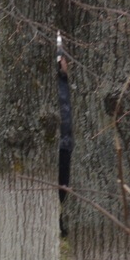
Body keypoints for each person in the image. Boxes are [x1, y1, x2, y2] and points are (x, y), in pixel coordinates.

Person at [57, 54, 73, 235]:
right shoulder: (53, 80)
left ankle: (64, 222)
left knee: (66, 185)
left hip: (72, 143)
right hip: (57, 142)